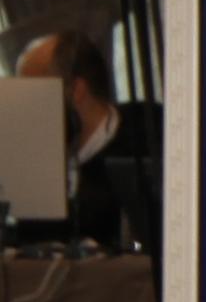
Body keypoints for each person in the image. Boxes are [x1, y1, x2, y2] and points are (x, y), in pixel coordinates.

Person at [10, 26, 153, 253]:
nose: (26, 107)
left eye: (35, 92)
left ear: (76, 90)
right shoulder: (32, 164)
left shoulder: (147, 136)